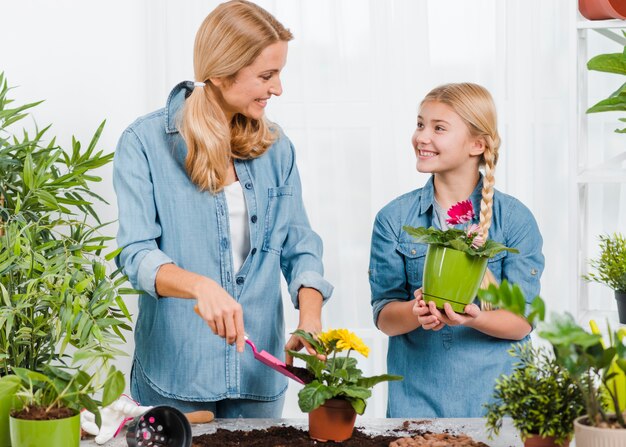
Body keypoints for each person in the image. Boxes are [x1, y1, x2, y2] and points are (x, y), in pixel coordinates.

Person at [113, 0, 333, 418]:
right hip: (176, 372)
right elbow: (136, 253)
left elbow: (300, 243)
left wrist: (310, 315)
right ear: (219, 70)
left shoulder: (277, 147)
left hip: (259, 375)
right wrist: (200, 286)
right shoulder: (144, 142)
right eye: (266, 76)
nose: (278, 89)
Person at [368, 82, 544, 418]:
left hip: (499, 402)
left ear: (477, 144)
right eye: (420, 124)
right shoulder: (393, 219)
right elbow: (384, 315)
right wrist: (415, 312)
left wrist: (475, 318)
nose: (422, 137)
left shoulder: (515, 220)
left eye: (439, 128)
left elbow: (522, 321)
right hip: (416, 402)